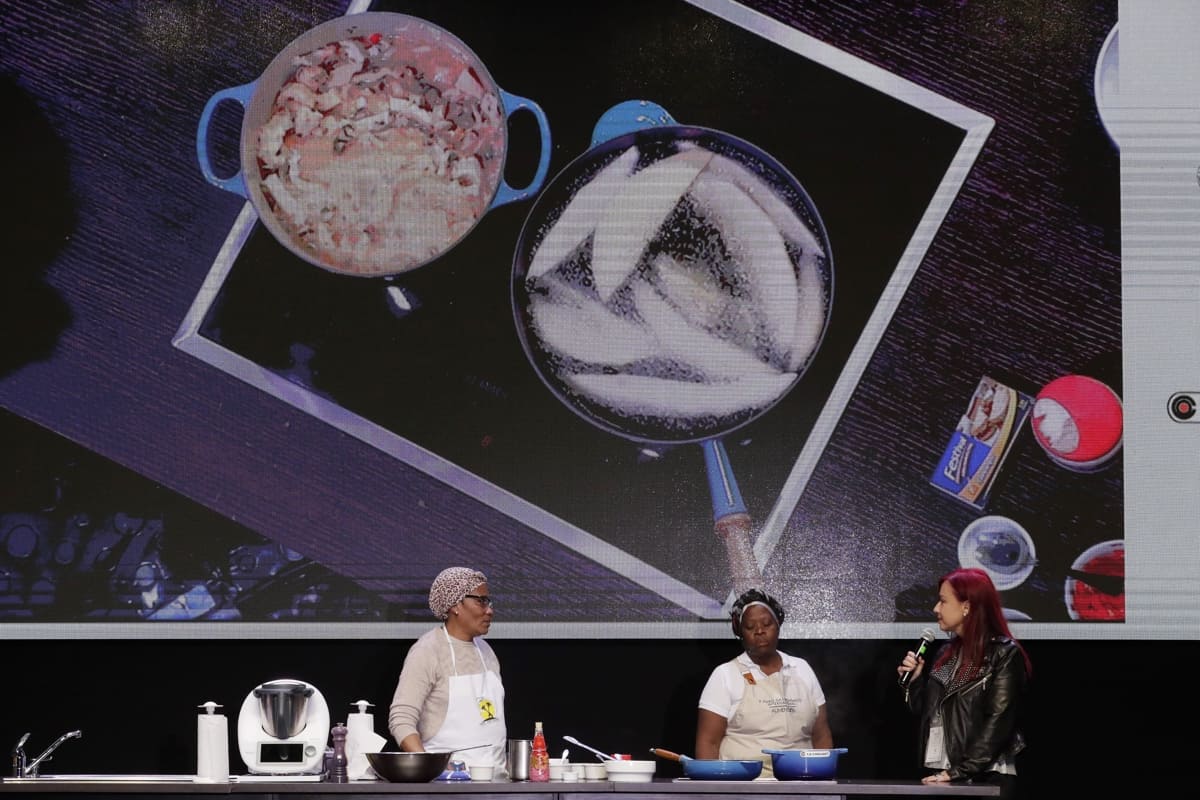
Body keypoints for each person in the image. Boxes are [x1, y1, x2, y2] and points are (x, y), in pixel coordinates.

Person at [896, 567, 1031, 800]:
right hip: (945, 775)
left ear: (966, 606)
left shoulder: (1003, 654)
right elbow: (928, 713)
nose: (936, 609)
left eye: (943, 601)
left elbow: (998, 723)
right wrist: (913, 682)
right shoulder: (946, 653)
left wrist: (960, 771)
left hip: (986, 778)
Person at [696, 588, 833, 777]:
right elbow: (708, 743)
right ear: (739, 632)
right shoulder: (725, 675)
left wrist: (823, 783)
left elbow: (821, 735)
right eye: (750, 627)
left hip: (801, 782)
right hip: (744, 785)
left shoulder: (801, 669)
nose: (759, 631)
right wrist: (713, 788)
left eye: (767, 624)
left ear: (778, 625)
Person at [388, 566, 507, 775]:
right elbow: (401, 719)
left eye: (489, 602)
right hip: (448, 783)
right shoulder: (428, 651)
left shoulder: (486, 651)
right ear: (455, 605)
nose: (489, 610)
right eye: (481, 601)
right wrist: (429, 767)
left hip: (495, 780)